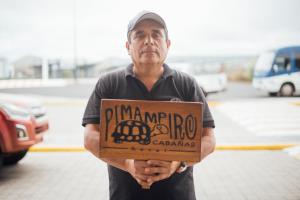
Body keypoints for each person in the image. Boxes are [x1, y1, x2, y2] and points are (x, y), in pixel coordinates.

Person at [82, 10, 216, 200]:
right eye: (140, 35)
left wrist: (179, 163)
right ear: (128, 46)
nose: (149, 41)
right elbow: (90, 137)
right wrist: (127, 164)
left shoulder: (187, 84)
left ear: (167, 45)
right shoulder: (109, 84)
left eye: (156, 34)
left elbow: (209, 139)